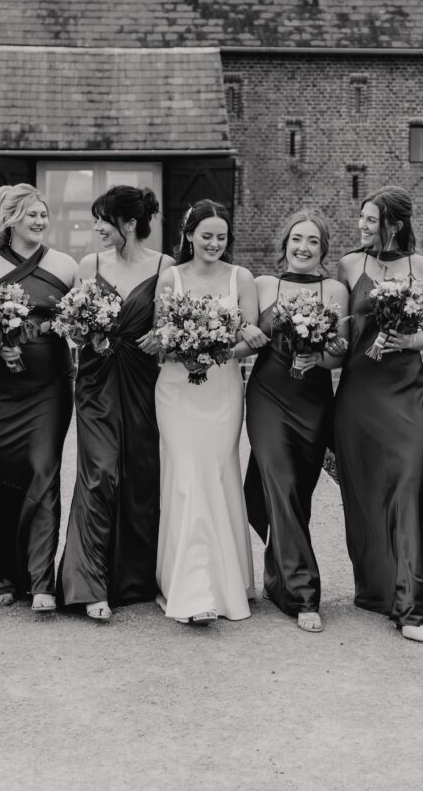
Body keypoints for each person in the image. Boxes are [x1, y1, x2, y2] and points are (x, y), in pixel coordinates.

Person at [57, 186, 174, 621]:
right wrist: (87, 333)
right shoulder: (90, 265)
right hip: (96, 380)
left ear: (128, 224)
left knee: (140, 475)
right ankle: (87, 583)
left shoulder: (165, 267)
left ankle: (133, 579)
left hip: (143, 382)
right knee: (99, 472)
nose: (97, 228)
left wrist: (161, 336)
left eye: (104, 220)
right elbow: (72, 327)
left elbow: (169, 332)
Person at [334, 185, 423, 643]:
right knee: (366, 493)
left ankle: (411, 607)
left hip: (405, 392)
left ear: (394, 224)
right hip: (359, 394)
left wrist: (405, 340)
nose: (362, 225)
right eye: (362, 218)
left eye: (371, 219)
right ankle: (378, 589)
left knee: (406, 489)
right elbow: (340, 331)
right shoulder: (348, 265)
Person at [0, 184, 75, 612]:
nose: (39, 221)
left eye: (44, 214)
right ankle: (5, 574)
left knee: (44, 471)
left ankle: (42, 579)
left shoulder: (65, 266)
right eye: (31, 214)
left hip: (49, 385)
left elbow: (79, 319)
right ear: (10, 218)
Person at [148, 200, 259, 626]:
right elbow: (160, 338)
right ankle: (187, 589)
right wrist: (185, 348)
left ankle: (225, 582)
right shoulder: (171, 278)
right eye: (206, 235)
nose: (214, 243)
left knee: (217, 474)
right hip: (177, 390)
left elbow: (250, 335)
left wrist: (220, 348)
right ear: (189, 235)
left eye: (221, 237)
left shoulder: (241, 277)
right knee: (185, 477)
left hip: (223, 389)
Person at [241, 209, 348, 633]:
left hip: (313, 399)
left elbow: (341, 351)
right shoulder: (263, 284)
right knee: (280, 485)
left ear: (323, 248)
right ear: (284, 242)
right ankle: (304, 594)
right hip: (268, 396)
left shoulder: (334, 289)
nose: (303, 248)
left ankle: (277, 579)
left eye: (313, 242)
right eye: (296, 239)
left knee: (297, 493)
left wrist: (318, 356)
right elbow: (246, 337)